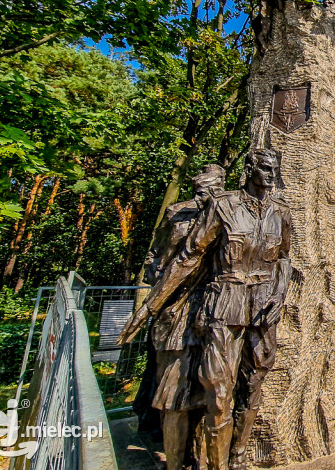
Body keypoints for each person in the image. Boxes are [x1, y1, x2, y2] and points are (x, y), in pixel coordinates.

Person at [118, 148, 293, 470]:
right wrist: (148, 307)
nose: (271, 175)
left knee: (252, 388)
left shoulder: (281, 212)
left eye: (274, 170)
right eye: (266, 169)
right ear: (250, 169)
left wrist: (279, 292)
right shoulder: (224, 206)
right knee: (219, 392)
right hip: (225, 305)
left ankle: (238, 456)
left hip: (264, 311)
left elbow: (284, 258)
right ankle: (216, 465)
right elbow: (189, 257)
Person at [131, 164, 225, 462]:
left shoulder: (230, 217)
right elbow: (155, 255)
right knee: (173, 391)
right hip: (174, 310)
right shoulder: (177, 214)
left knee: (212, 390)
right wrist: (157, 277)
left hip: (214, 311)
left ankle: (198, 456)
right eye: (203, 189)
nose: (208, 195)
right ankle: (173, 458)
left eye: (214, 188)